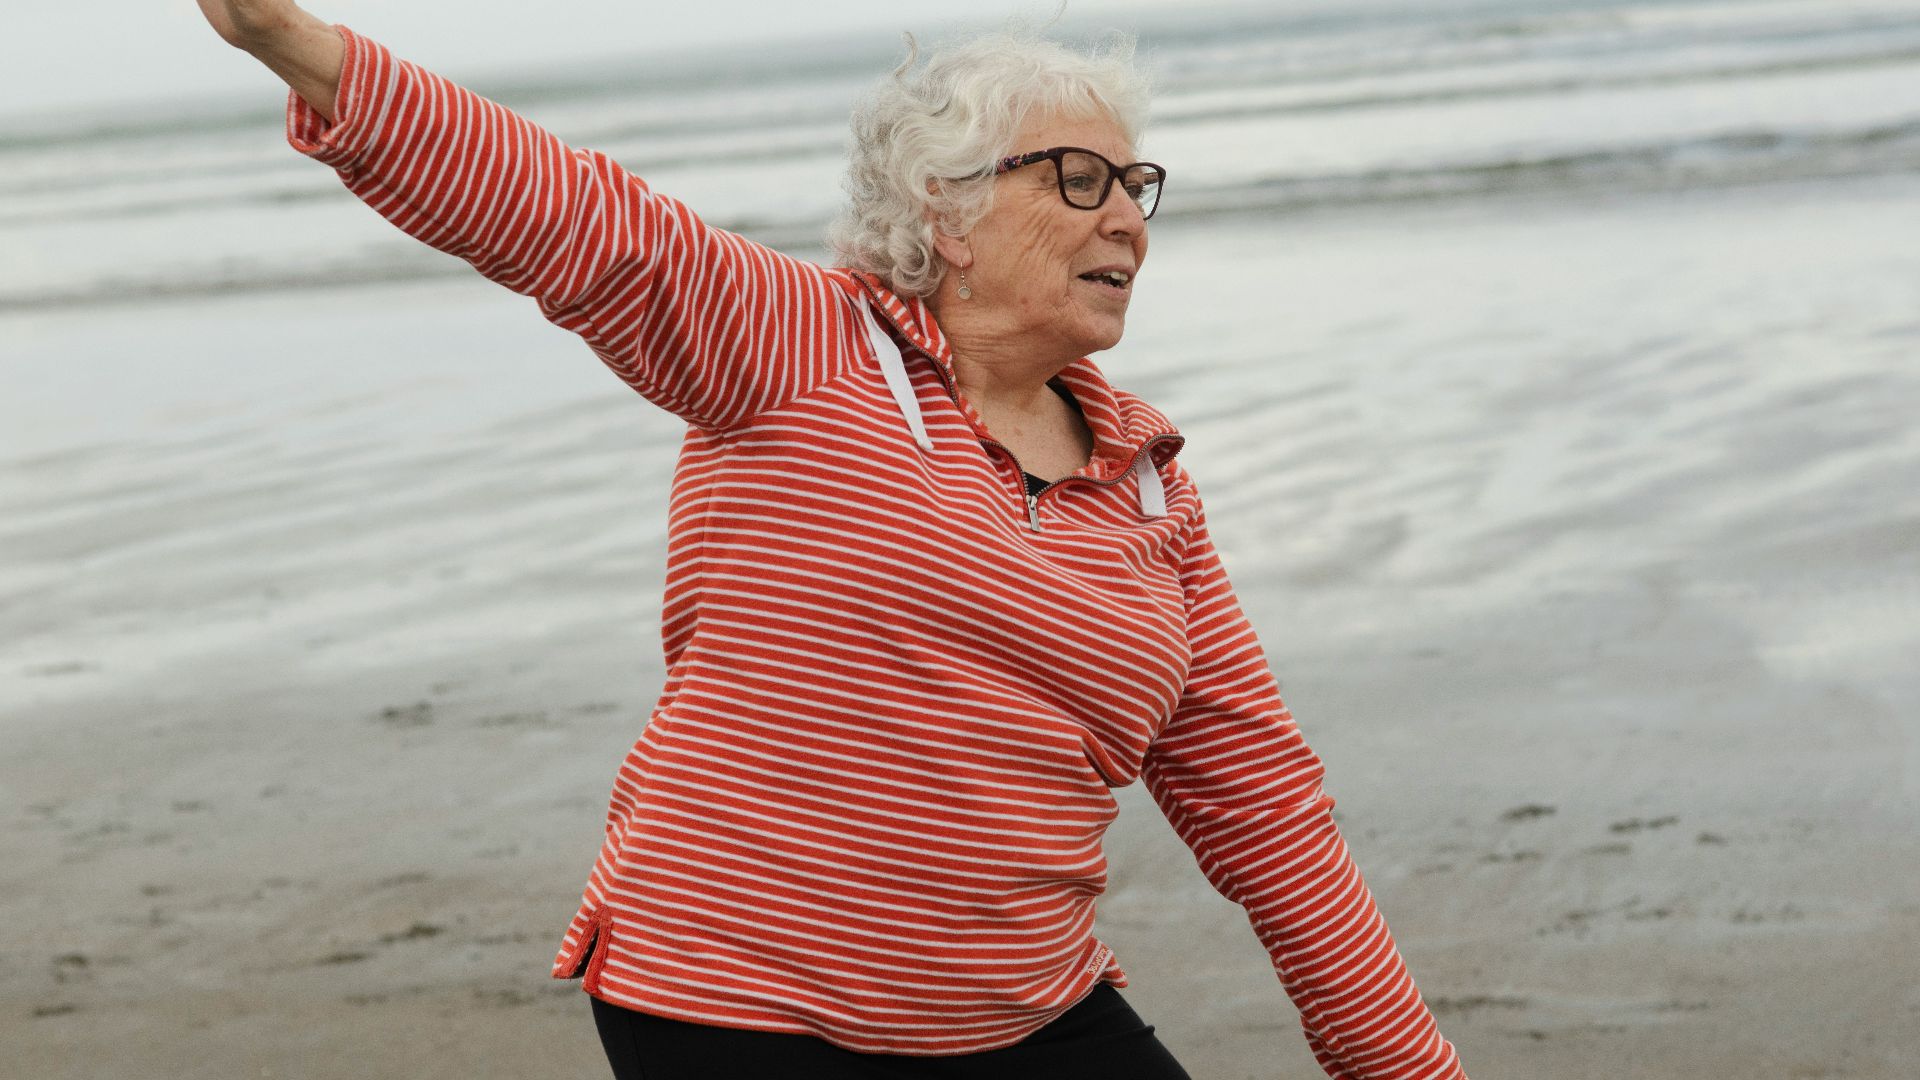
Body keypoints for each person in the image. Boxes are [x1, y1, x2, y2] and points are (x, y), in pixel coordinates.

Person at [196, 2, 1470, 1077]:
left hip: (1020, 1006)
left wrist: (1409, 1070)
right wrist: (289, 37)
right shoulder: (807, 351)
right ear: (947, 214)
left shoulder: (1147, 486)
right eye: (1078, 179)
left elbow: (1264, 807)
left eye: (1137, 186)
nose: (1128, 219)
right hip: (738, 1004)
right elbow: (578, 220)